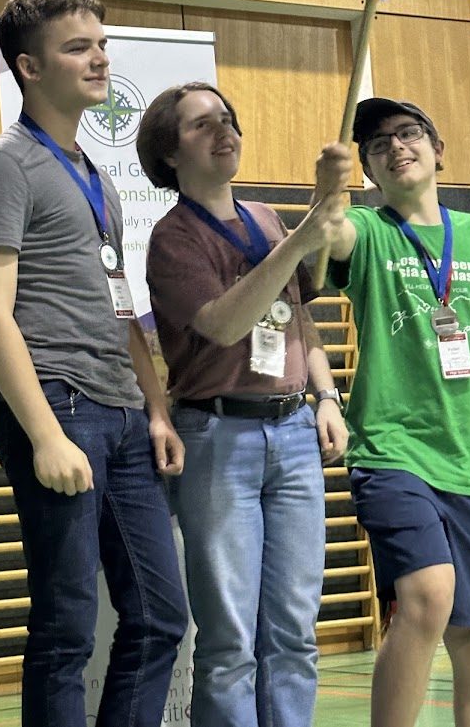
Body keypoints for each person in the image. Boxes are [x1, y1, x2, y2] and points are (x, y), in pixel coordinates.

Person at [0, 0, 188, 727]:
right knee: (65, 627)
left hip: (123, 415)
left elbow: (121, 308)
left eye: (101, 43)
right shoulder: (3, 167)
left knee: (160, 616)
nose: (99, 57)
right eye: (76, 47)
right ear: (29, 66)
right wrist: (46, 434)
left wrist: (154, 408)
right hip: (58, 405)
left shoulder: (96, 176)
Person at [314, 97, 470, 727]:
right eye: (379, 144)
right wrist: (328, 192)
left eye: (409, 133)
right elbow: (331, 236)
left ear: (438, 148)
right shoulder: (368, 229)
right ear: (368, 168)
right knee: (426, 594)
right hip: (392, 453)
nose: (396, 146)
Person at [136, 81, 350, 727]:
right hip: (218, 438)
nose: (223, 130)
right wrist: (305, 230)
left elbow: (297, 317)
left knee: (294, 632)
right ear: (170, 153)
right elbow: (227, 323)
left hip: (292, 433)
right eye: (202, 125)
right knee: (230, 642)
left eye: (226, 118)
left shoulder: (264, 218)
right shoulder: (173, 238)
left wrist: (327, 393)